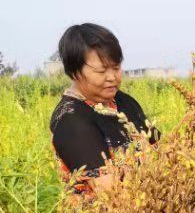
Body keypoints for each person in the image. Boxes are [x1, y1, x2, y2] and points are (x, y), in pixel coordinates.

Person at [50, 23, 158, 197]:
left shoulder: (123, 101)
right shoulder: (71, 120)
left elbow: (161, 148)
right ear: (75, 72)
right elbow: (110, 194)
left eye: (116, 68)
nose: (112, 77)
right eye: (101, 71)